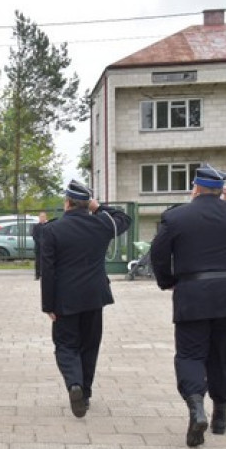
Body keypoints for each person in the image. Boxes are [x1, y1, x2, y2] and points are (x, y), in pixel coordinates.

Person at [150, 165, 226, 447]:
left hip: (191, 292)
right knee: (221, 354)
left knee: (190, 354)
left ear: (194, 188)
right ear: (222, 190)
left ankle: (196, 407)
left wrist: (168, 281)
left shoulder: (177, 216)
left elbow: (158, 253)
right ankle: (220, 414)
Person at [40, 179, 132, 418]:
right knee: (89, 346)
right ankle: (86, 394)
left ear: (67, 202)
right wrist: (97, 207)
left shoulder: (52, 230)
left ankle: (74, 384)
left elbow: (48, 271)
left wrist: (48, 305)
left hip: (64, 299)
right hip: (94, 297)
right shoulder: (100, 224)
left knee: (66, 345)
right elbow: (124, 219)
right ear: (85, 204)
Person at [32, 211, 49, 280]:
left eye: (44, 216)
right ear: (39, 218)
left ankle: (45, 274)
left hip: (47, 247)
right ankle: (37, 275)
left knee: (46, 261)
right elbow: (34, 236)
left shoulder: (48, 226)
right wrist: (40, 242)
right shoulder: (36, 227)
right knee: (38, 261)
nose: (42, 218)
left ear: (46, 217)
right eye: (41, 217)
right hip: (38, 247)